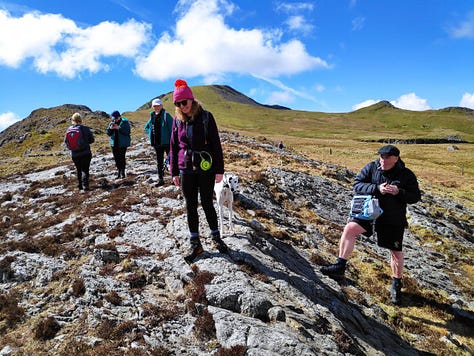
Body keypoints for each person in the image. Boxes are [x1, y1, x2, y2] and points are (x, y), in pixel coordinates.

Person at [321, 145, 421, 305]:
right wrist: (376, 188)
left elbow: (415, 196)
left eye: (387, 157)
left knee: (395, 251)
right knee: (349, 229)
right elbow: (357, 185)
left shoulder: (406, 175)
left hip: (392, 218)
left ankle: (396, 284)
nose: (383, 159)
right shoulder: (372, 167)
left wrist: (399, 192)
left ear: (396, 158)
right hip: (368, 213)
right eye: (381, 156)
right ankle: (340, 266)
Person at [169, 79, 228, 264]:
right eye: (177, 104)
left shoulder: (206, 117)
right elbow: (173, 146)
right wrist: (174, 172)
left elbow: (216, 144)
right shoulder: (177, 121)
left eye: (183, 102)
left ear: (191, 100)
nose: (181, 106)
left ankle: (216, 237)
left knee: (207, 203)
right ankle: (196, 243)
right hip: (186, 168)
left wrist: (219, 170)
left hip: (205, 167)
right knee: (191, 205)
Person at [144, 98, 173, 186]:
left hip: (167, 143)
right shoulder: (152, 116)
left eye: (158, 105)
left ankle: (175, 178)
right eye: (155, 106)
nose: (156, 107)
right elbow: (146, 127)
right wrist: (151, 134)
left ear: (161, 105)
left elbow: (172, 128)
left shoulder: (166, 115)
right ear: (153, 107)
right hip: (157, 143)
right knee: (159, 162)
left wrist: (173, 141)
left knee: (172, 160)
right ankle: (161, 179)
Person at [65, 113, 95, 191]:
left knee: (78, 170)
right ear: (81, 120)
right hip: (86, 153)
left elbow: (66, 141)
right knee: (85, 170)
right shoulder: (85, 129)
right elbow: (92, 140)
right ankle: (86, 186)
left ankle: (80, 186)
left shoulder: (69, 129)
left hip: (75, 154)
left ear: (73, 120)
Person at [106, 111, 131, 178]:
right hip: (114, 144)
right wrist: (110, 129)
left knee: (122, 158)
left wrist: (119, 128)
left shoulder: (125, 122)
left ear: (119, 116)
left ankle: (123, 172)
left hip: (122, 144)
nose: (115, 119)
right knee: (116, 159)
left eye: (116, 118)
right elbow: (108, 133)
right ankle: (119, 172)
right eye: (114, 118)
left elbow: (127, 132)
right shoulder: (111, 123)